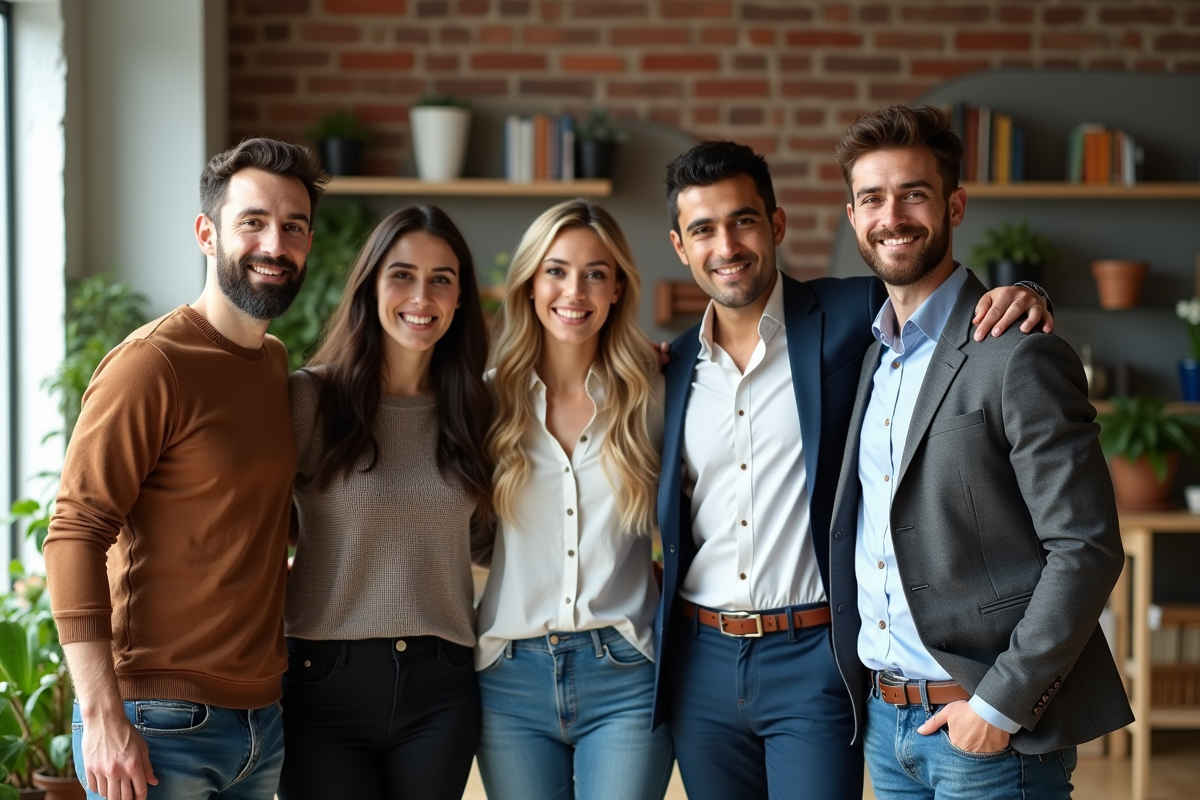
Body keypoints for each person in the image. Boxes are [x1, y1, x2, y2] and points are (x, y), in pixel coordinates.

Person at [651, 140, 1055, 800]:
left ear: (775, 225)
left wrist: (1026, 293)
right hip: (702, 657)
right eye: (703, 229)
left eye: (743, 220)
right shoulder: (668, 370)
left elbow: (933, 289)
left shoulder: (850, 314)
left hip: (814, 655)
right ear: (680, 245)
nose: (727, 245)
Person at [826, 104, 1133, 799]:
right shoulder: (871, 355)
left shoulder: (1016, 352)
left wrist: (998, 707)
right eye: (873, 198)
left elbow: (1085, 547)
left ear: (954, 205)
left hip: (989, 735)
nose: (892, 215)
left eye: (915, 193)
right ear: (852, 217)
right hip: (886, 722)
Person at [44, 138, 326, 800]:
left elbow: (241, 515)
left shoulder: (272, 362)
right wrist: (101, 717)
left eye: (293, 227)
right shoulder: (153, 365)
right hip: (155, 724)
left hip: (260, 721)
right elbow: (73, 534)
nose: (274, 245)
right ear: (207, 232)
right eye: (252, 222)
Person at [278, 204, 492, 800]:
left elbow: (490, 540)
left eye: (441, 280)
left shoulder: (475, 410)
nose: (421, 296)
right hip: (323, 683)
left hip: (442, 685)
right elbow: (251, 527)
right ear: (370, 284)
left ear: (458, 299)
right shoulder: (310, 399)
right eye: (401, 274)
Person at [474, 199, 673, 800]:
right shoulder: (486, 402)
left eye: (596, 273)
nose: (575, 290)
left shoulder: (656, 395)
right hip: (508, 679)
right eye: (556, 270)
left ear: (617, 289)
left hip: (626, 672)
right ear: (530, 284)